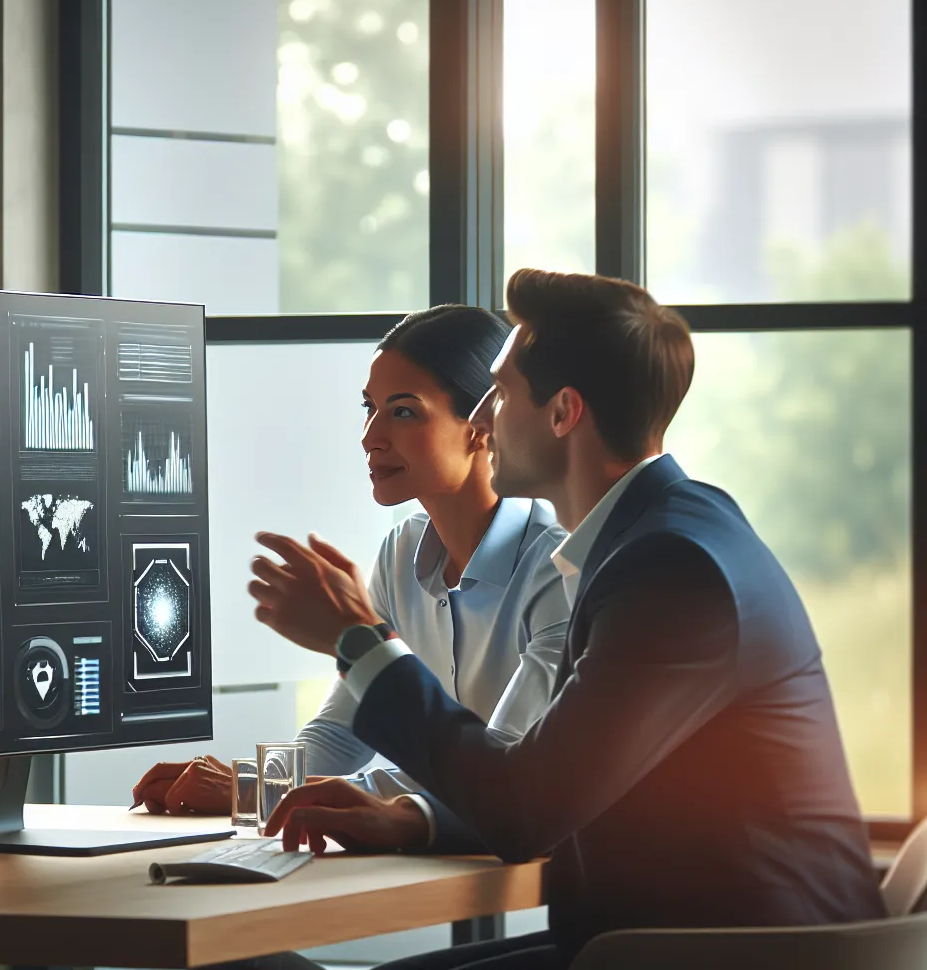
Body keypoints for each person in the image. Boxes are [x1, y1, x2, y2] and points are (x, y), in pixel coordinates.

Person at [253, 270, 884, 969]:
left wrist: (359, 641)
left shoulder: (671, 570)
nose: (483, 420)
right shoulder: (659, 536)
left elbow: (526, 807)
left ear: (563, 414)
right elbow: (549, 781)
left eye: (499, 393)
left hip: (728, 954)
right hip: (661, 942)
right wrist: (411, 816)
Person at [131, 306, 569, 840]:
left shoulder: (559, 567)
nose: (370, 436)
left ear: (483, 425)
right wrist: (245, 784)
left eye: (404, 412)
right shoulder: (401, 552)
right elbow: (339, 738)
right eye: (370, 408)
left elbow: (504, 766)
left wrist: (259, 791)